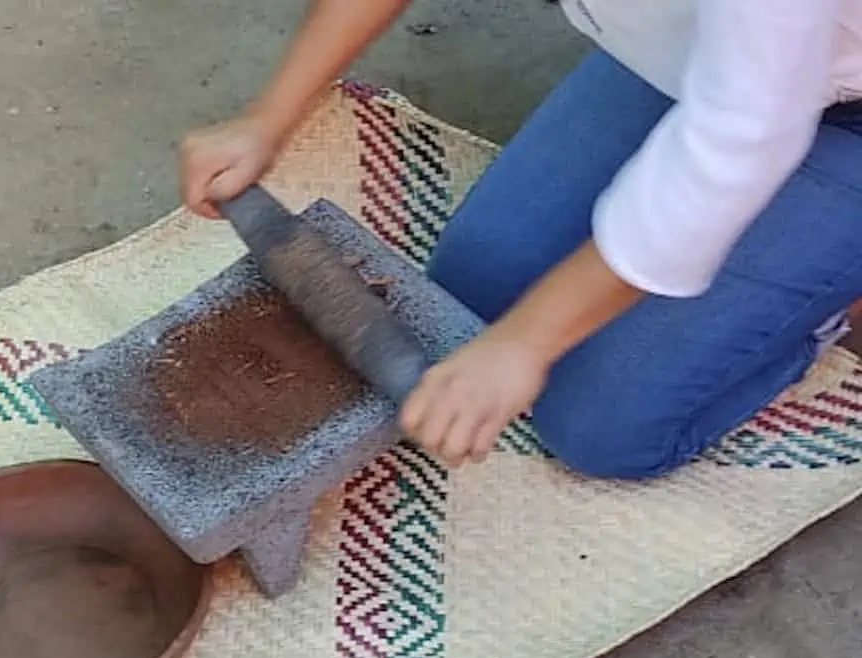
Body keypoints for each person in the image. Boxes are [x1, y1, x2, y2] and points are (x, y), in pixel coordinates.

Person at [178, 0, 862, 478]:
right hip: (709, 46)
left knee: (603, 428)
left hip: (826, 94)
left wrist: (528, 342)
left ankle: (827, 300)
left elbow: (738, 139)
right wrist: (268, 117)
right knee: (471, 294)